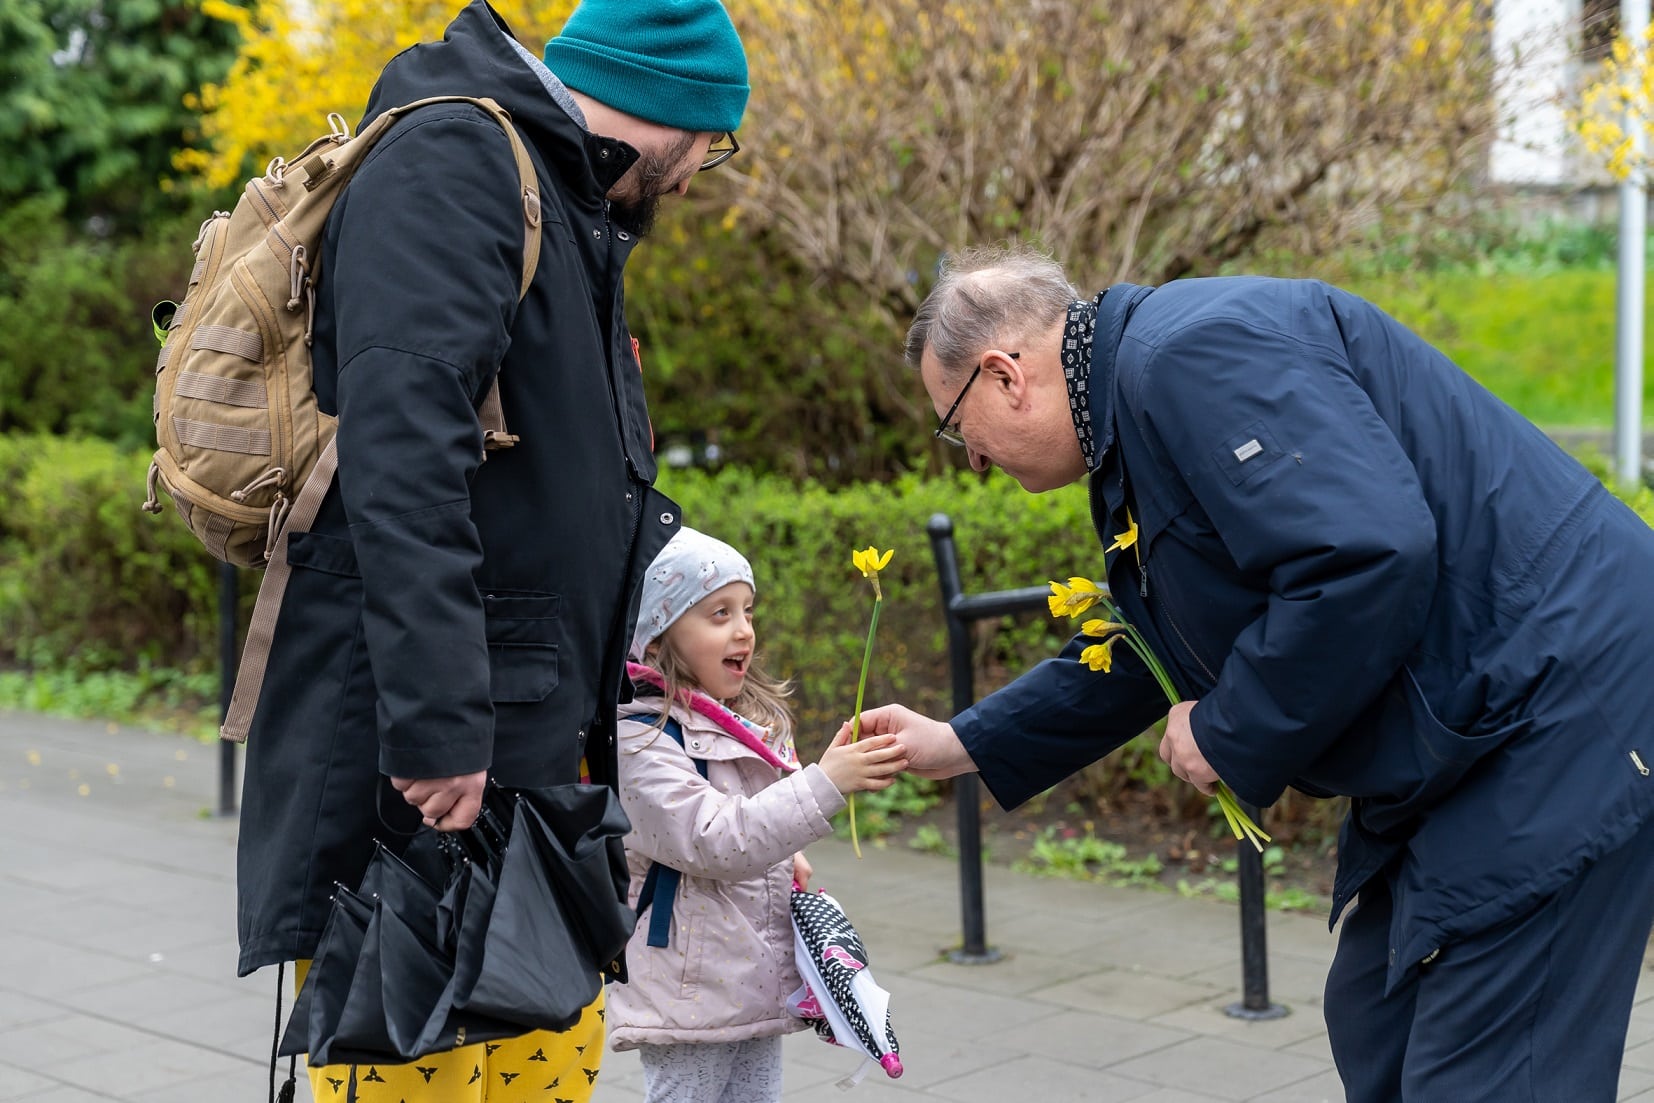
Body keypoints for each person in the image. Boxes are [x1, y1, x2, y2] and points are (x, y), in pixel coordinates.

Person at [851, 243, 1654, 1102]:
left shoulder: (1188, 357)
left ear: (1005, 374)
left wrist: (1227, 730)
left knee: (1489, 1070)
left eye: (954, 425)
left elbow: (1367, 556)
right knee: (1378, 1018)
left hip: (1558, 710)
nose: (970, 459)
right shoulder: (1136, 400)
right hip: (1479, 721)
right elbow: (1158, 646)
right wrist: (962, 741)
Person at [232, 1, 750, 1099]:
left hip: (525, 746)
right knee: (413, 1069)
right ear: (667, 108)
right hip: (422, 767)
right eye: (713, 143)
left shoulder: (557, 186)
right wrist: (435, 724)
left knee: (541, 1066)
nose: (703, 172)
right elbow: (402, 451)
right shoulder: (457, 157)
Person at [609, 526, 908, 1102]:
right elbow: (715, 838)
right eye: (718, 613)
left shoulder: (735, 724)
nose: (743, 628)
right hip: (687, 989)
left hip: (745, 978)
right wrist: (826, 784)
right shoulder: (639, 743)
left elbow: (748, 822)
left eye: (747, 610)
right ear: (655, 637)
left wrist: (785, 848)